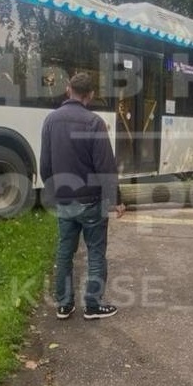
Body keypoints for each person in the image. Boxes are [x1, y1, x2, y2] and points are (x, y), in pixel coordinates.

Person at [40, 72, 126, 321]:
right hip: (91, 203)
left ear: (68, 90)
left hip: (64, 201)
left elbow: (45, 165)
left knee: (65, 252)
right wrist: (116, 200)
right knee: (96, 253)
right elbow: (105, 166)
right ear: (90, 95)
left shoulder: (50, 120)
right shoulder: (94, 122)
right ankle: (93, 305)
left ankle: (64, 305)